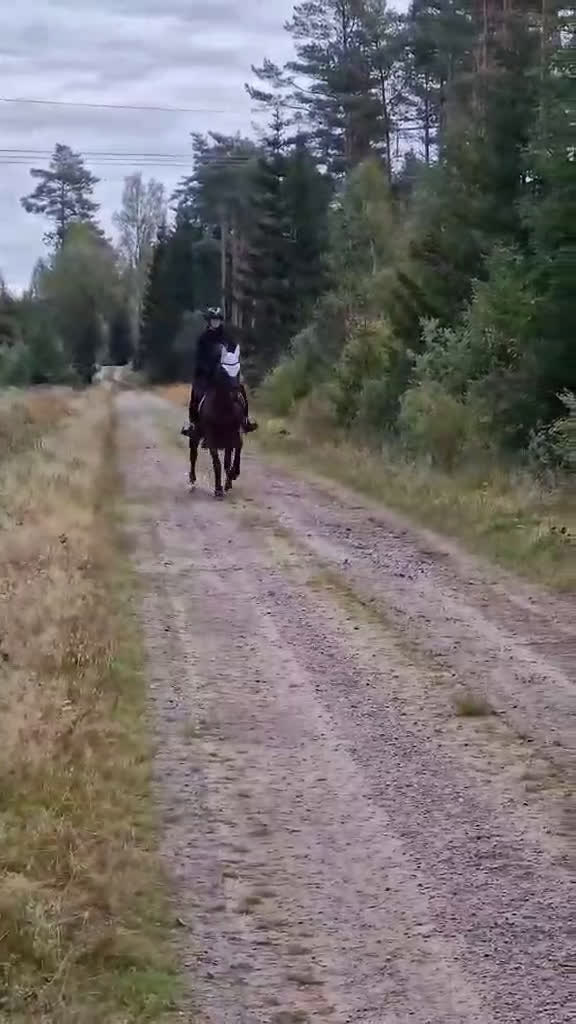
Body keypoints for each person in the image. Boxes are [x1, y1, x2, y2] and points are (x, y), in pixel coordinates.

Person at [185, 308, 256, 434]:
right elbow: (200, 358)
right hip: (206, 375)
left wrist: (233, 367)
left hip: (226, 374)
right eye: (213, 320)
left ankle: (245, 420)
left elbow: (234, 353)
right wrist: (209, 369)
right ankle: (193, 424)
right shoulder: (203, 338)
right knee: (196, 393)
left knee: (241, 391)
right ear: (209, 321)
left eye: (217, 320)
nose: (215, 322)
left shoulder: (227, 337)